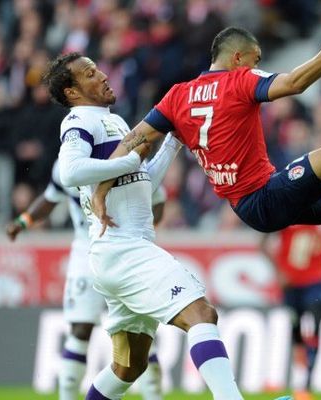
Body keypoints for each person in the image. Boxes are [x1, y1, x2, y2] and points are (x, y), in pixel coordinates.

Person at [93, 17, 321, 335]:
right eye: (257, 60)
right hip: (264, 195)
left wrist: (99, 190)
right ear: (238, 59)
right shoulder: (239, 81)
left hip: (249, 204)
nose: (259, 66)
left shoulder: (177, 96)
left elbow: (131, 141)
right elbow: (294, 83)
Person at [43, 53, 287, 400]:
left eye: (98, 69)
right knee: (201, 314)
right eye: (90, 74)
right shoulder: (79, 120)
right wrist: (126, 161)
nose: (103, 76)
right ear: (72, 92)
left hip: (117, 253)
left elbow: (140, 182)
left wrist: (172, 140)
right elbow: (69, 171)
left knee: (129, 366)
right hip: (124, 249)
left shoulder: (111, 122)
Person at [6, 159, 166, 400]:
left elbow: (158, 201)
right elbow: (51, 197)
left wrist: (139, 229)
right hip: (86, 253)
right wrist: (23, 221)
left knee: (141, 334)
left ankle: (154, 396)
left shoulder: (126, 159)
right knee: (80, 330)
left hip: (127, 253)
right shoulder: (67, 164)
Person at [261, 225, 321, 400]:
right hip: (292, 285)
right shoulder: (286, 215)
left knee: (316, 324)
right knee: (296, 331)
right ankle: (301, 378)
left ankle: (307, 381)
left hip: (316, 282)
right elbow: (262, 242)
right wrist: (279, 272)